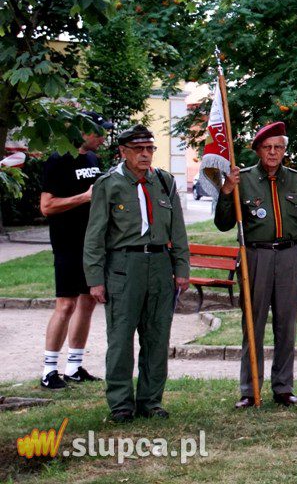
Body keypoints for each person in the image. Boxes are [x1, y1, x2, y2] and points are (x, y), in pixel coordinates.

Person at [83, 124, 190, 423]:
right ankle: (120, 404)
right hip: (124, 266)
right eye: (138, 149)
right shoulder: (109, 184)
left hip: (160, 264)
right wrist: (95, 279)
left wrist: (181, 268)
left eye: (149, 149)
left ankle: (151, 401)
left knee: (157, 336)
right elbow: (94, 236)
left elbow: (178, 230)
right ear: (123, 151)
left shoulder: (164, 181)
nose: (145, 154)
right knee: (120, 338)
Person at [216, 122, 297, 409]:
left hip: (290, 256)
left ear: (285, 150)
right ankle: (250, 390)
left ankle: (283, 387)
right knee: (253, 325)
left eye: (278, 147)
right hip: (256, 257)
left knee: (287, 326)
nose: (273, 152)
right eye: (267, 147)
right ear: (258, 151)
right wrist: (227, 191)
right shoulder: (243, 179)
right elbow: (223, 224)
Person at [38, 111, 112, 389]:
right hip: (67, 243)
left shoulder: (93, 160)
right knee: (66, 304)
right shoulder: (58, 159)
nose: (103, 138)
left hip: (92, 244)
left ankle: (74, 367)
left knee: (88, 301)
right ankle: (49, 371)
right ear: (82, 131)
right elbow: (46, 206)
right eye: (99, 132)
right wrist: (84, 197)